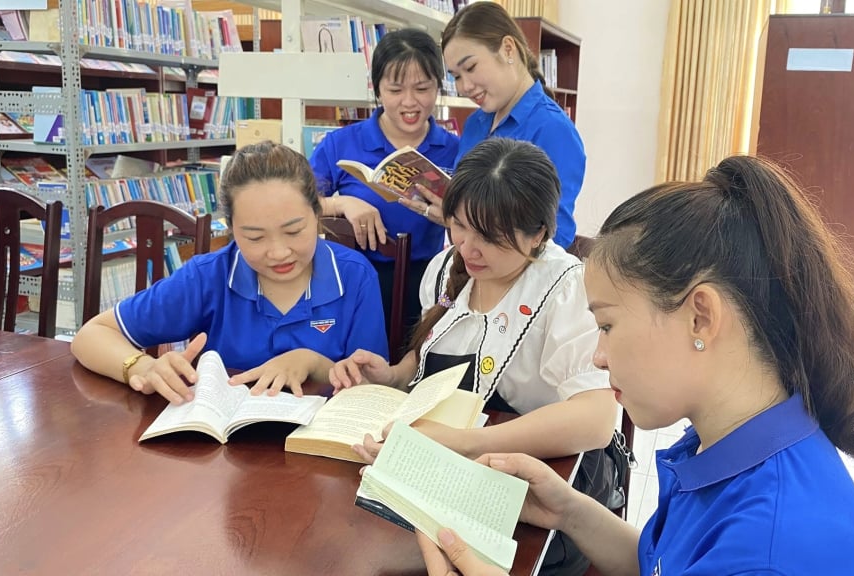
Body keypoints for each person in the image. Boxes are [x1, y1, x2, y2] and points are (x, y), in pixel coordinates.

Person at [416, 155, 854, 575]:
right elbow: (657, 561)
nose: (598, 358)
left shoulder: (770, 548)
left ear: (699, 317)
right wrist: (569, 512)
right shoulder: (722, 439)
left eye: (606, 326)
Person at [331, 138, 618, 575]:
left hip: (543, 482)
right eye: (459, 226)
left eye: (489, 236)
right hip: (448, 468)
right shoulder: (447, 268)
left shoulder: (567, 289)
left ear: (538, 234)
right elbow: (433, 360)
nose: (468, 248)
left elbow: (595, 420)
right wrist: (390, 376)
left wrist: (467, 445)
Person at [72, 141, 388, 405]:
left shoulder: (355, 277)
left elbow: (373, 389)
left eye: (293, 231)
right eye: (254, 237)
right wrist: (143, 367)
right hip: (223, 460)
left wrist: (314, 364)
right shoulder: (208, 276)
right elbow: (90, 336)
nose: (278, 252)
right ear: (232, 229)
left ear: (318, 214)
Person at [310, 28, 459, 335]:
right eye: (395, 90)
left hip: (427, 280)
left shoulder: (455, 149)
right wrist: (342, 203)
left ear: (437, 88)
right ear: (377, 89)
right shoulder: (341, 144)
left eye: (422, 88)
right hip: (352, 278)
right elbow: (298, 205)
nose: (409, 102)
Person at [402, 2, 586, 249]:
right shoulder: (476, 123)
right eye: (456, 76)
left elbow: (554, 238)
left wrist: (459, 222)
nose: (463, 87)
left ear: (508, 49)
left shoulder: (553, 130)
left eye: (471, 68)